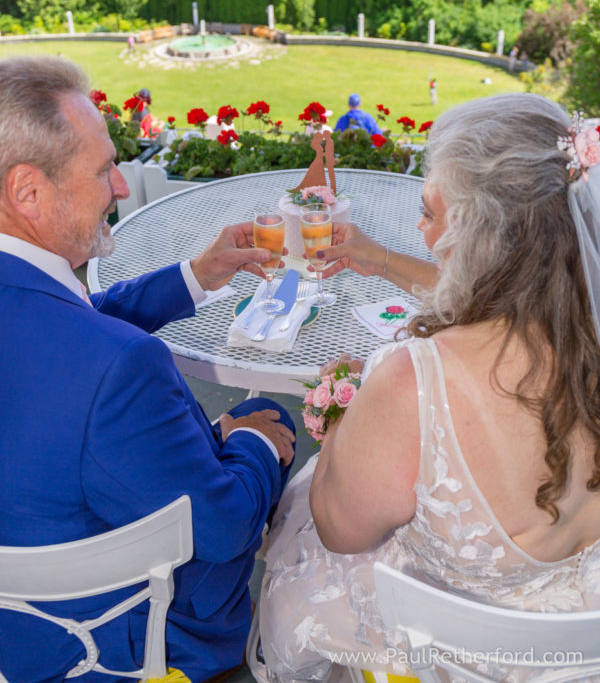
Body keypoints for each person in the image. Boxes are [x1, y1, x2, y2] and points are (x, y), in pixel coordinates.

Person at [254, 92, 600, 680]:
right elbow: (509, 289)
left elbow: (341, 532)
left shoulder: (413, 382)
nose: (420, 227)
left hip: (439, 651)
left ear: (481, 234)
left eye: (431, 212)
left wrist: (339, 422)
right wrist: (382, 259)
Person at [0, 56, 296, 683]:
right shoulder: (120, 369)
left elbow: (70, 326)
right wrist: (249, 443)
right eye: (105, 168)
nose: (121, 187)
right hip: (122, 644)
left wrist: (198, 275)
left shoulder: (44, 314)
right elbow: (219, 529)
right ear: (28, 191)